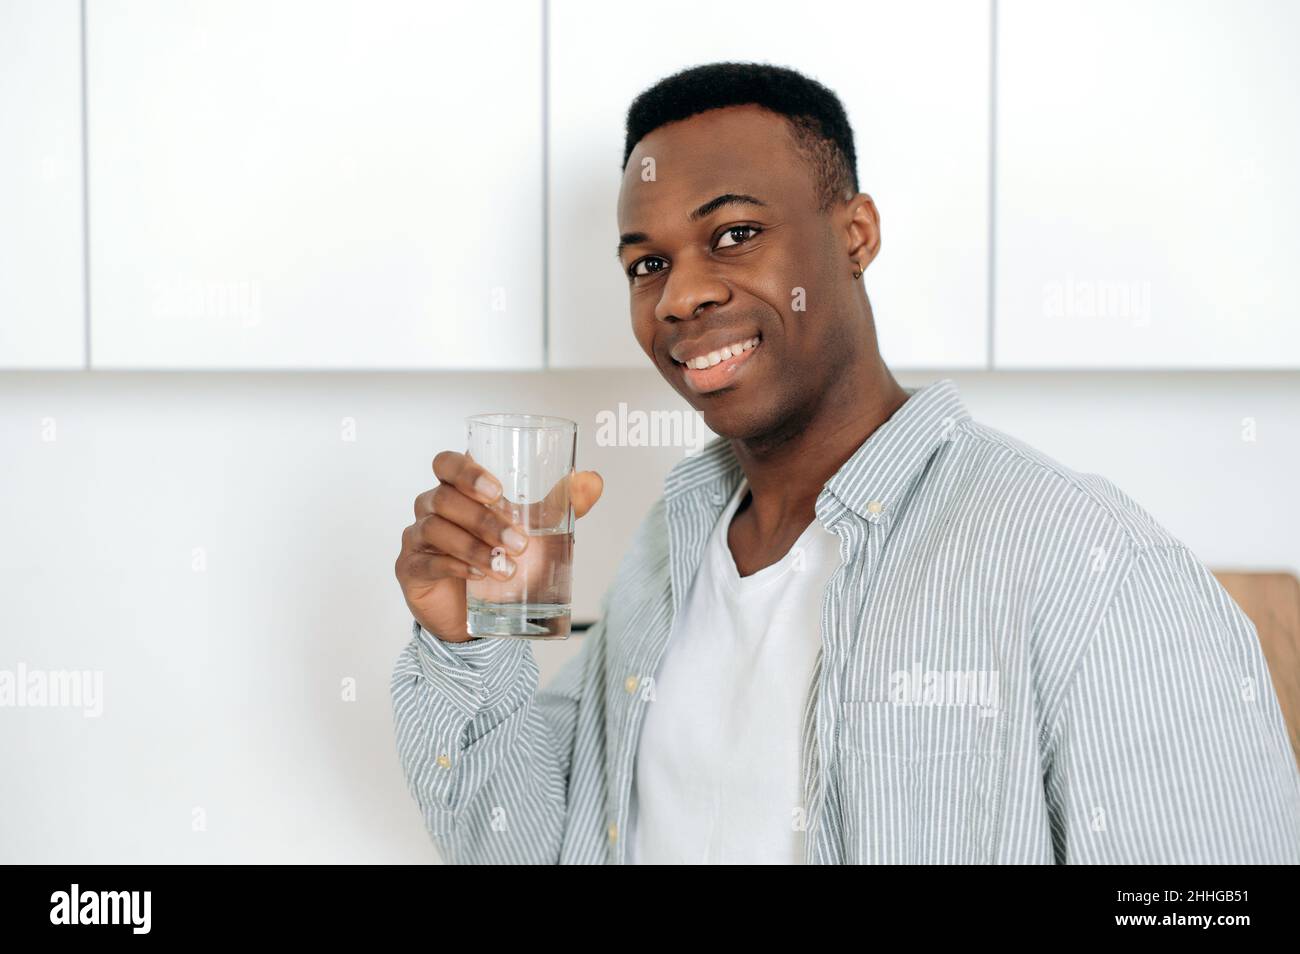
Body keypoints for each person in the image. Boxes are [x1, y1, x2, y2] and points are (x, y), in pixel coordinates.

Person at [390, 62, 1300, 864]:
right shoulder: (664, 561)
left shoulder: (1086, 566)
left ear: (856, 233)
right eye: (646, 263)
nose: (681, 294)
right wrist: (465, 642)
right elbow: (529, 845)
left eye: (736, 234)